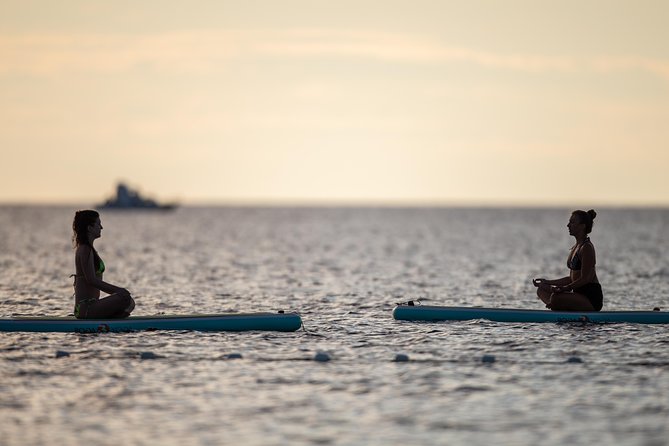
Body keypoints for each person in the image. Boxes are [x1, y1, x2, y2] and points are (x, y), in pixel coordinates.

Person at [533, 209, 603, 311]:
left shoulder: (586, 248)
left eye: (572, 222)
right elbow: (571, 278)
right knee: (541, 290)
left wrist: (565, 288)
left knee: (556, 297)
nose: (568, 225)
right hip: (576, 295)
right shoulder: (575, 247)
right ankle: (558, 305)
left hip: (590, 299)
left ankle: (557, 304)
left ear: (582, 226)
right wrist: (547, 282)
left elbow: (585, 278)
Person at [72, 210, 135, 319]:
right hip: (86, 308)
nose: (101, 227)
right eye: (98, 224)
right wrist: (118, 290)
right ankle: (110, 323)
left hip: (91, 306)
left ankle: (110, 322)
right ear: (89, 228)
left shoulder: (88, 249)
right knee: (124, 298)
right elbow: (91, 280)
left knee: (129, 301)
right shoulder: (85, 249)